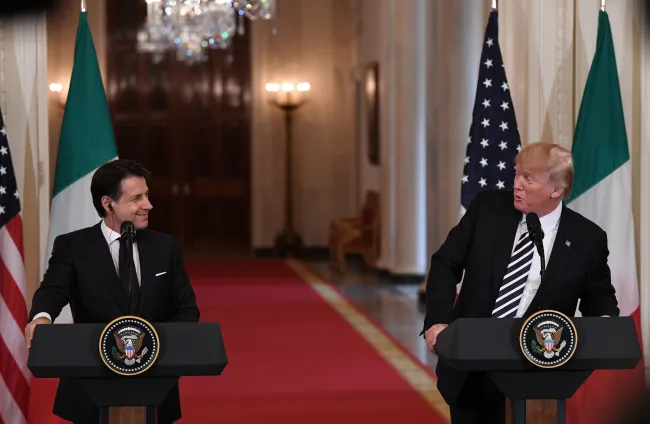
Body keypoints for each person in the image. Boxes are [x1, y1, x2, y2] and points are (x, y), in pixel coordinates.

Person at [421, 142, 619, 424]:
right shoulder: (488, 209)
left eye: (528, 178)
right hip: (471, 368)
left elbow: (599, 300)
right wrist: (438, 321)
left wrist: (607, 329)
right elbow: (445, 263)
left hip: (540, 374)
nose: (516, 185)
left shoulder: (587, 239)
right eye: (516, 174)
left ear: (556, 190)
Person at [24, 159, 200, 424]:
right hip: (91, 382)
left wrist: (156, 345)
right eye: (137, 198)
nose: (148, 205)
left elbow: (187, 310)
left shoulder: (165, 247)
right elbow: (53, 289)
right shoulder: (74, 246)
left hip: (154, 381)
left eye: (147, 195)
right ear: (108, 204)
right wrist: (41, 317)